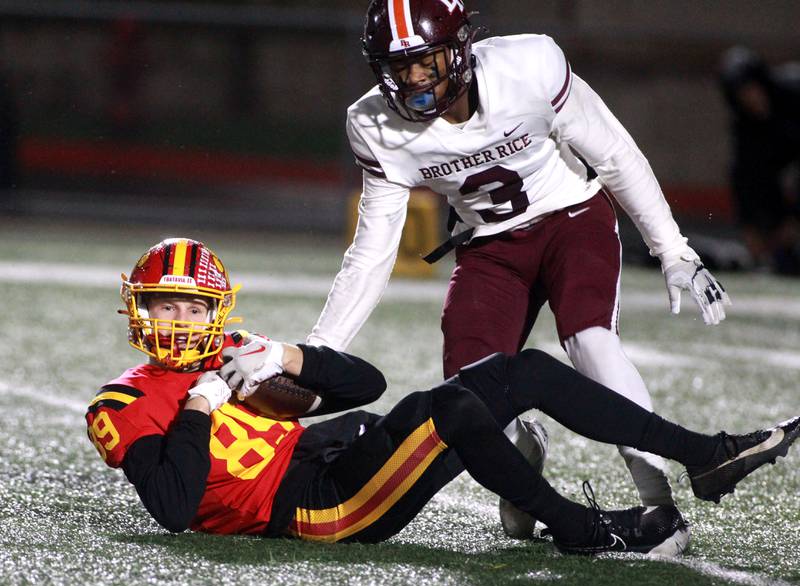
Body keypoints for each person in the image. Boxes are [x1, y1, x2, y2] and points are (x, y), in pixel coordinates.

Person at [306, 0, 732, 541]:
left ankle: (658, 500)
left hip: (571, 216)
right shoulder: (375, 125)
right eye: (398, 65)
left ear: (459, 49)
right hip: (489, 247)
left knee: (590, 341)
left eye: (425, 60)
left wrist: (673, 248)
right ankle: (525, 465)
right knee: (470, 393)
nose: (412, 78)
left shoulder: (527, 67)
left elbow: (615, 154)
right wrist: (317, 354)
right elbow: (372, 252)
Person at [86, 238, 799, 557]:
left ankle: (706, 456)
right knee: (453, 411)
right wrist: (202, 405)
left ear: (215, 309)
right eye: (164, 306)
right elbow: (175, 510)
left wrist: (283, 355)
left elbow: (363, 383)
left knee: (521, 370)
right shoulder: (121, 404)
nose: (178, 321)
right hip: (311, 509)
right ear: (137, 311)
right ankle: (580, 530)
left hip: (329, 461)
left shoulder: (234, 351)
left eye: (190, 307)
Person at [720, 46, 800, 274]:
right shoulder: (746, 125)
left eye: (750, 88)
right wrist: (750, 226)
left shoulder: (794, 91)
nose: (750, 98)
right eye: (741, 94)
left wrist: (795, 220)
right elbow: (744, 173)